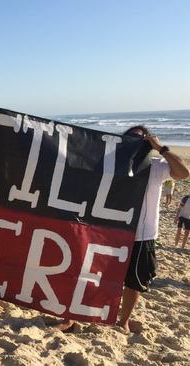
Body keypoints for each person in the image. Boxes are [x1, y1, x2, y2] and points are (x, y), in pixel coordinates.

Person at [56, 125, 189, 333]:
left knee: (134, 282)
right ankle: (70, 318)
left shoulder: (156, 166)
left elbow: (184, 172)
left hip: (142, 235)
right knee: (87, 274)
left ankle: (123, 321)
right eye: (131, 138)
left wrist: (160, 148)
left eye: (142, 139)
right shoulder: (110, 164)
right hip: (109, 230)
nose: (136, 142)